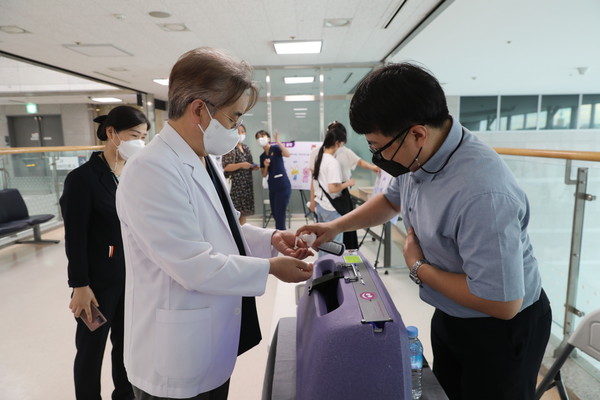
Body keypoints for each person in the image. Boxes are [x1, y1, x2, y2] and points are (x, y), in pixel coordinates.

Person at [297, 63, 551, 400]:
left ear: (417, 132)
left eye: (378, 146)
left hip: (500, 331)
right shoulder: (418, 155)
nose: (377, 156)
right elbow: (390, 201)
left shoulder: (483, 193)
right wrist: (333, 226)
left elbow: (501, 301)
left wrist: (418, 267)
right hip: (451, 310)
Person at [115, 47, 313, 400]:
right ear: (198, 110)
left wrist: (270, 238)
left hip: (210, 342)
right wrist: (269, 267)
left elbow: (222, 229)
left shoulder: (203, 158)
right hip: (174, 357)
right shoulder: (151, 170)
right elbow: (192, 264)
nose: (238, 129)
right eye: (233, 117)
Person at [60, 105, 150, 400]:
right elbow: (75, 238)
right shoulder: (82, 179)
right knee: (90, 350)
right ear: (112, 133)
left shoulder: (135, 174)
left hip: (132, 278)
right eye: (134, 135)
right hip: (97, 284)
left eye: (145, 136)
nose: (141, 142)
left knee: (127, 347)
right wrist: (80, 285)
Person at [311, 127, 356, 251]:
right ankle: (331, 269)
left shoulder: (320, 158)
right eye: (342, 144)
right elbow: (333, 188)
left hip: (321, 205)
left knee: (323, 244)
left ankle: (323, 268)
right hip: (331, 209)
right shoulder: (332, 162)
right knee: (334, 248)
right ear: (337, 143)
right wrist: (348, 183)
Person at [222, 124, 259, 225]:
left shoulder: (246, 148)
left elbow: (250, 164)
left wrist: (253, 167)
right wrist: (241, 165)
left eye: (242, 132)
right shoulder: (230, 148)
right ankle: (237, 235)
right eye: (238, 132)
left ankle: (243, 234)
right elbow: (226, 167)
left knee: (244, 213)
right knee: (236, 213)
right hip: (236, 186)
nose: (240, 134)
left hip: (246, 184)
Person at [256, 129, 291, 230]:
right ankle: (280, 235)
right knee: (275, 214)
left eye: (262, 136)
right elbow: (263, 174)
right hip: (273, 187)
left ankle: (282, 236)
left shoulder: (275, 148)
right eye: (258, 137)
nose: (260, 139)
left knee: (280, 215)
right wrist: (266, 166)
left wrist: (278, 141)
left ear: (268, 138)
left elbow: (287, 154)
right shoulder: (262, 156)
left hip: (282, 185)